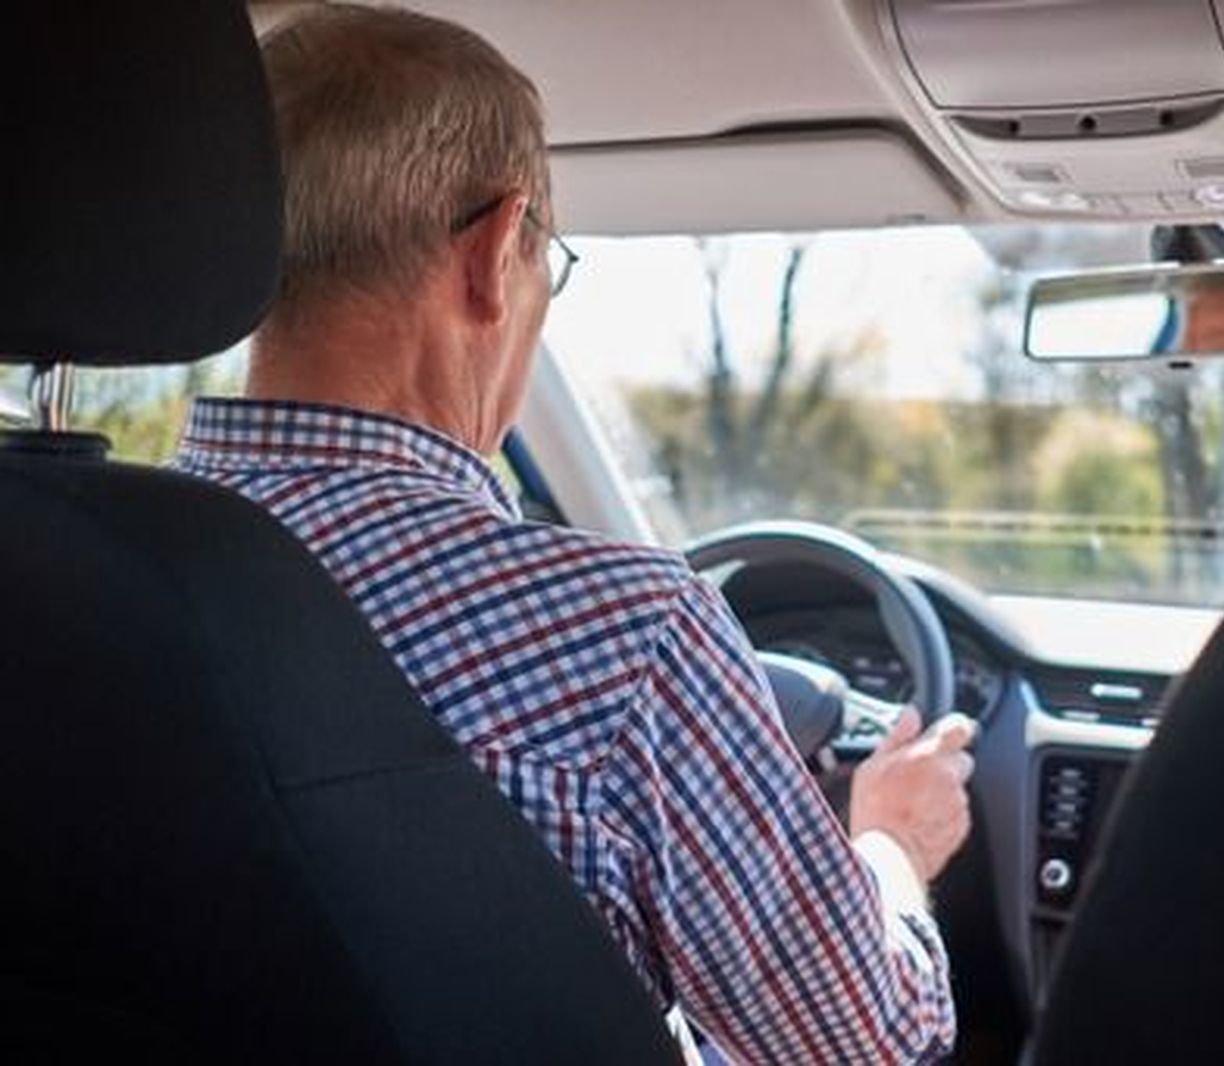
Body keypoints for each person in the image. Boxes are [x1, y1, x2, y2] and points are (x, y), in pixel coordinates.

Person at [174, 6, 976, 1063]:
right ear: (497, 249)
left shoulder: (65, 572)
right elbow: (859, 1043)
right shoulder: (623, 636)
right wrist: (888, 843)